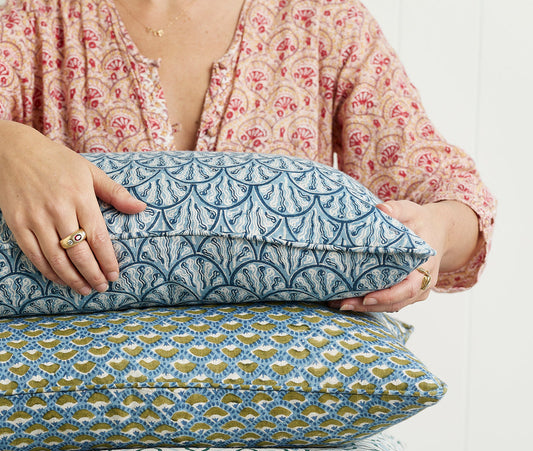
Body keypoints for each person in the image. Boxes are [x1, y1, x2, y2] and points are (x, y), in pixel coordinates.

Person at [0, 0, 495, 311]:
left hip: (301, 392)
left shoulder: (323, 20)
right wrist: (9, 145)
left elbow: (450, 192)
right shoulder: (32, 19)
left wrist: (434, 232)